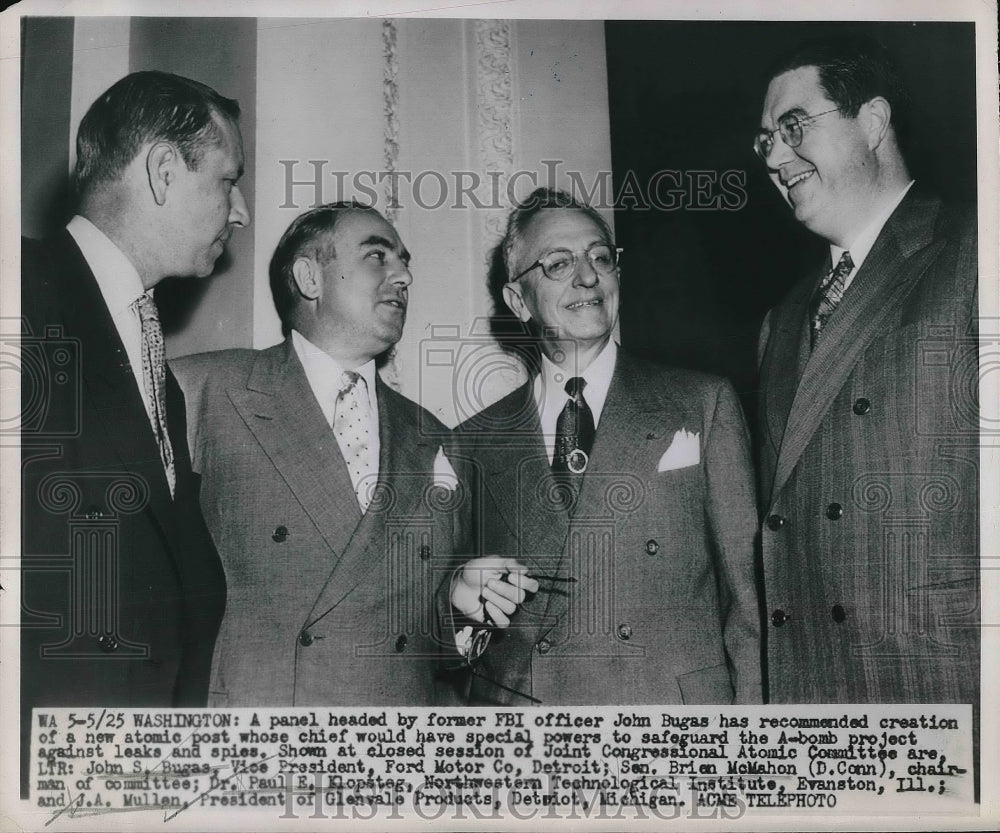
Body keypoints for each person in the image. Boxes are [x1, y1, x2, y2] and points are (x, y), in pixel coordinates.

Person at [20, 71, 248, 792]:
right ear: (161, 170)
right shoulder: (15, 293)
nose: (238, 211)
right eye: (227, 180)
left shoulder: (156, 364)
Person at [450, 187, 761, 705]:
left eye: (600, 257)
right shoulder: (472, 442)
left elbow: (749, 599)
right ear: (517, 300)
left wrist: (750, 746)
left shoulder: (703, 403)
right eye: (558, 264)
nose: (588, 277)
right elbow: (441, 615)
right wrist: (460, 601)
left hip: (672, 728)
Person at [754, 37, 978, 729]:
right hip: (811, 695)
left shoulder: (975, 251)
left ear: (873, 121)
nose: (773, 157)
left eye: (793, 128)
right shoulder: (780, 319)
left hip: (940, 683)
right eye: (764, 141)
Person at [172, 203, 468, 705]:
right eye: (377, 256)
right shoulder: (199, 391)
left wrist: (461, 607)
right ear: (310, 277)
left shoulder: (435, 436)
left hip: (392, 749)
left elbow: (415, 628)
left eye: (404, 260)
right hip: (258, 735)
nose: (404, 275)